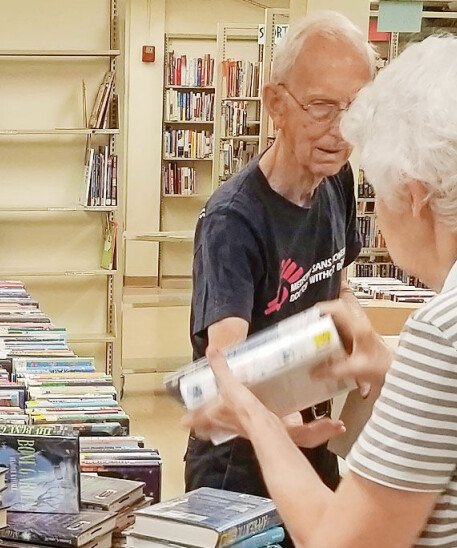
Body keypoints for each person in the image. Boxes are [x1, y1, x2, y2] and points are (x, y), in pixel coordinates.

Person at [185, 32, 457, 547]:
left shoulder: (446, 334)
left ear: (414, 195)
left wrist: (256, 419)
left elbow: (341, 543)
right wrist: (396, 370)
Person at [186, 10, 375, 527]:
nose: (339, 131)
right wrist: (281, 424)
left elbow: (340, 286)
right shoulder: (233, 221)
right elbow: (225, 359)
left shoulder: (337, 180)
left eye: (355, 109)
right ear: (276, 105)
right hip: (239, 467)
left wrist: (362, 354)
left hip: (313, 441)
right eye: (320, 107)